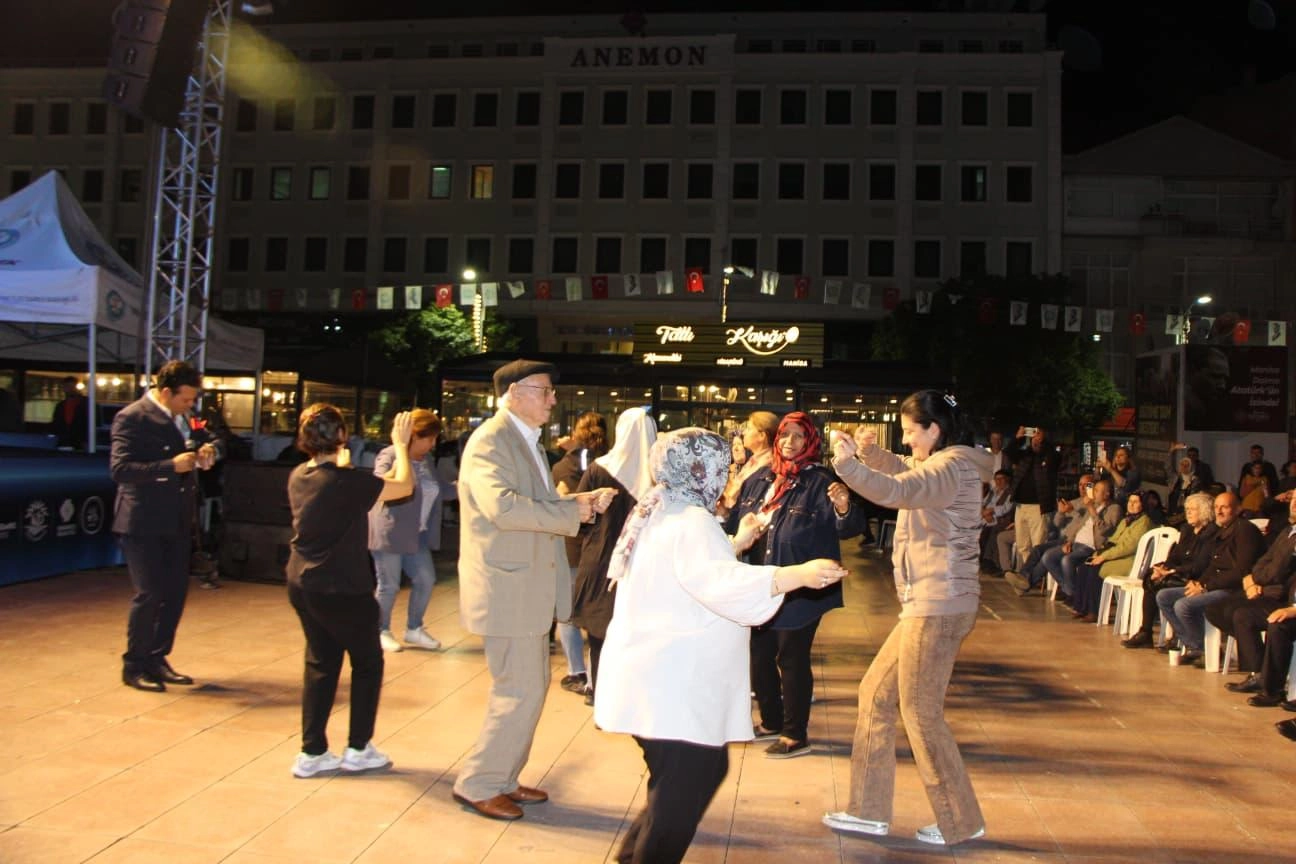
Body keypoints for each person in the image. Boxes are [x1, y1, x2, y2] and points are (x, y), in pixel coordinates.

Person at [594, 427, 847, 864]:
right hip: (672, 684)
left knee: (687, 778)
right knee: (685, 784)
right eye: (720, 467)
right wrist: (798, 574)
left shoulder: (664, 506)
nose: (726, 475)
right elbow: (720, 583)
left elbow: (691, 570)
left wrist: (736, 542)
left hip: (655, 677)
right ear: (699, 470)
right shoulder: (692, 520)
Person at [823, 390, 990, 847]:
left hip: (938, 605)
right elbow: (904, 472)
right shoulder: (944, 465)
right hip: (932, 604)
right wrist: (870, 454)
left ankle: (960, 820)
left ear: (935, 429)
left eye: (911, 431)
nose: (906, 439)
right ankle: (868, 810)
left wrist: (849, 466)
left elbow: (898, 491)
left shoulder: (950, 468)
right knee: (877, 696)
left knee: (920, 714)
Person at [452, 359, 614, 822]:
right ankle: (479, 783)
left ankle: (503, 777)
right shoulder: (491, 440)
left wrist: (577, 502)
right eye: (544, 390)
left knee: (529, 687)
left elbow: (537, 503)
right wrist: (570, 513)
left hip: (524, 586)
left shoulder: (523, 439)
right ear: (513, 393)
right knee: (517, 690)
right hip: (507, 587)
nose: (552, 399)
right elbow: (501, 507)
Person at [285, 406, 415, 778]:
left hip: (302, 582)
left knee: (321, 663)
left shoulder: (300, 475)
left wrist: (343, 464)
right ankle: (358, 748)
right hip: (343, 587)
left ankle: (312, 753)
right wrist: (400, 445)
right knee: (367, 663)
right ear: (342, 436)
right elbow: (404, 486)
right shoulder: (348, 482)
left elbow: (346, 489)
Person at [726, 411, 859, 759]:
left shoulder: (820, 481)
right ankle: (771, 720)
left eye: (798, 436)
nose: (789, 442)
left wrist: (843, 507)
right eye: (785, 435)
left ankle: (794, 734)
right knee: (759, 655)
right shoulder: (761, 478)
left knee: (791, 656)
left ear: (810, 441)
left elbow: (848, 528)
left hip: (803, 587)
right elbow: (735, 520)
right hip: (761, 582)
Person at [111, 361, 219, 692]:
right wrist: (169, 466)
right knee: (150, 593)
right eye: (185, 399)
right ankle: (135, 664)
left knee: (174, 593)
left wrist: (209, 449)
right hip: (142, 519)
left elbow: (210, 436)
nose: (191, 405)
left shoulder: (188, 415)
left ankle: (158, 658)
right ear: (166, 392)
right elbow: (120, 469)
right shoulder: (132, 417)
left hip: (178, 518)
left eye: (193, 399)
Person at [570, 406, 656, 707]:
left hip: (601, 559)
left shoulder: (599, 469)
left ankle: (599, 692)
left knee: (599, 630)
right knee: (637, 631)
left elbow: (577, 518)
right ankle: (632, 695)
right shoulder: (658, 475)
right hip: (642, 562)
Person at [368, 408, 444, 654]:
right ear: (413, 435)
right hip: (390, 532)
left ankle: (414, 628)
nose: (432, 444)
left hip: (416, 533)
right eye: (429, 438)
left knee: (425, 579)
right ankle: (380, 630)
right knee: (388, 585)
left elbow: (440, 489)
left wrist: (467, 485)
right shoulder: (389, 454)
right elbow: (379, 485)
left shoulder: (426, 460)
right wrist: (401, 453)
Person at [551, 411, 608, 696]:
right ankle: (596, 674)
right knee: (597, 611)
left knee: (568, 613)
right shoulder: (608, 465)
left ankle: (576, 671)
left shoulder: (562, 467)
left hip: (570, 548)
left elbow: (557, 503)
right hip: (600, 549)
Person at [1121, 492, 1217, 649]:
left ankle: (1173, 636)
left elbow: (1200, 565)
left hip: (1196, 578)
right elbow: (1175, 556)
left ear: (1205, 511)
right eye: (1187, 509)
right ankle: (1146, 632)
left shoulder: (1211, 533)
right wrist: (1163, 568)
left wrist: (1171, 572)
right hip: (1180, 572)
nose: (1188, 513)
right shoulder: (1187, 529)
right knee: (1152, 577)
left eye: (1193, 509)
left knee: (1161, 586)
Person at [1067, 491, 1152, 622]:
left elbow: (1127, 547)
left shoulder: (1144, 522)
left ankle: (1094, 611)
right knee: (1085, 566)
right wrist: (1100, 553)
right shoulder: (1126, 520)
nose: (1131, 504)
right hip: (1115, 556)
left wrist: (1104, 557)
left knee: (1096, 570)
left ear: (1143, 504)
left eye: (1135, 502)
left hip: (1130, 560)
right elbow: (1113, 540)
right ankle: (1081, 607)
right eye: (1130, 501)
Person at [1003, 425, 1059, 572]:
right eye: (1033, 436)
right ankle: (1028, 574)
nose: (1036, 439)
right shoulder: (1025, 455)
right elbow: (1008, 453)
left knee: (1037, 544)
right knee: (1022, 545)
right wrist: (1018, 438)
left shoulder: (1049, 456)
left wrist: (1044, 442)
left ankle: (1032, 575)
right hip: (1021, 505)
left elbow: (1054, 458)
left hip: (1038, 506)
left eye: (1038, 435)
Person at [719, 410, 778, 514]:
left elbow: (740, 499)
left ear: (762, 436)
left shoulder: (768, 466)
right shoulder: (754, 461)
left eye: (749, 429)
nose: (744, 432)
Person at [51, 375, 89, 449]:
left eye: (72, 386)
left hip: (81, 442)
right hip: (64, 441)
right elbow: (56, 423)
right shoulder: (60, 406)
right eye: (67, 387)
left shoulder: (86, 403)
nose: (70, 389)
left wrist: (86, 441)